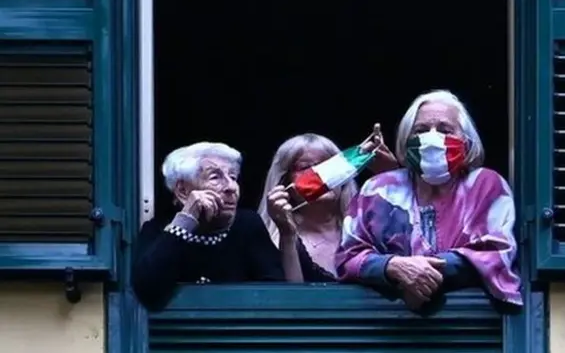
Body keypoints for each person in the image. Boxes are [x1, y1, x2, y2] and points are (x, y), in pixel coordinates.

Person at [335, 90, 522, 312]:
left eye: (445, 130)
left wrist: (421, 273)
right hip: (386, 325)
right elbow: (348, 258)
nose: (432, 138)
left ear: (466, 141)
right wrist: (393, 267)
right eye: (421, 130)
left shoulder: (485, 185)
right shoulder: (378, 189)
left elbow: (494, 251)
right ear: (407, 141)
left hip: (469, 322)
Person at [132, 142, 284, 311]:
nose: (231, 187)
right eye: (215, 177)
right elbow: (147, 291)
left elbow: (275, 291)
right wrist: (186, 220)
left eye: (233, 177)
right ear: (183, 191)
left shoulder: (248, 225)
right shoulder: (158, 230)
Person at [258, 128, 398, 282]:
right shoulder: (270, 240)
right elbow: (292, 299)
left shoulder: (365, 227)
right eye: (305, 167)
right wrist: (287, 235)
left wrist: (391, 177)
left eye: (328, 165)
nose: (320, 174)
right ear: (284, 182)